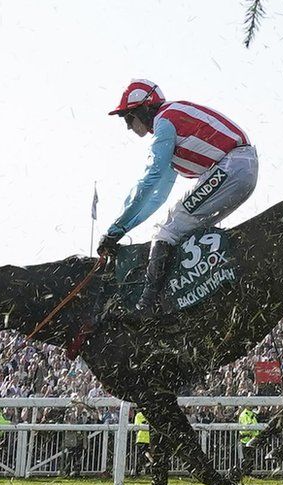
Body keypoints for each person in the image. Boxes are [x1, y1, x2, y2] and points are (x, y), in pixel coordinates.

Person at [96, 80, 260, 319]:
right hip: (240, 166)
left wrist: (115, 229)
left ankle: (146, 305)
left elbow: (150, 180)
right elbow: (157, 196)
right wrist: (122, 230)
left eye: (128, 118)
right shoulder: (171, 124)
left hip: (233, 166)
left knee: (167, 230)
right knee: (178, 225)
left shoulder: (164, 122)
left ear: (143, 109)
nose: (128, 128)